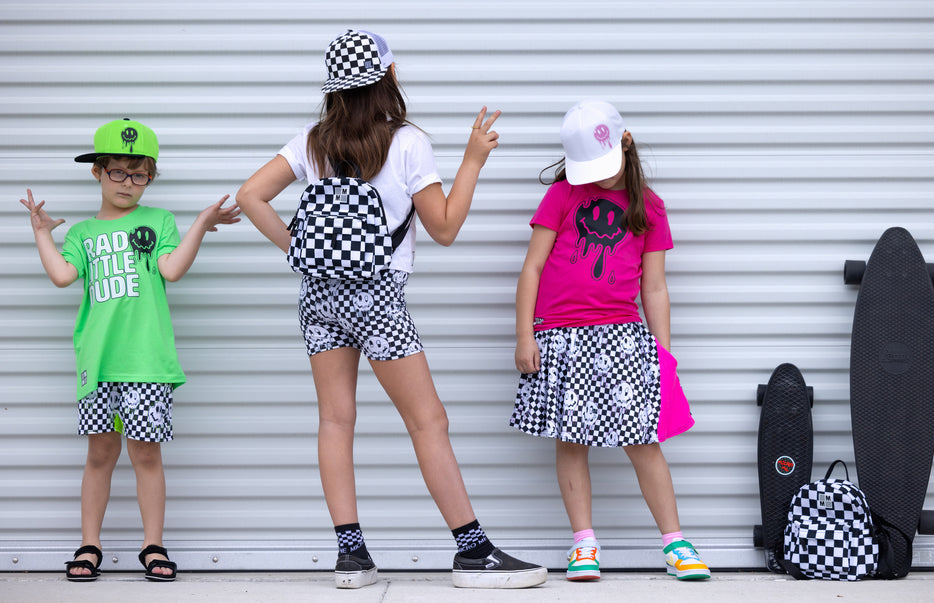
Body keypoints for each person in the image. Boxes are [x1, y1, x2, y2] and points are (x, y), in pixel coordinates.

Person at [235, 29, 547, 590]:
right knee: (428, 421)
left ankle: (351, 557)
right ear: (390, 76)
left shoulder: (311, 141)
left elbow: (249, 196)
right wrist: (473, 160)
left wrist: (299, 249)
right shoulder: (406, 142)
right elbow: (444, 228)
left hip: (319, 296)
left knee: (335, 420)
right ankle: (473, 552)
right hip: (378, 299)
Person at [21, 118, 241, 583]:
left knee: (146, 455)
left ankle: (152, 545)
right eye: (117, 171)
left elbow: (172, 270)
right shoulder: (82, 233)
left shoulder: (158, 220)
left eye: (139, 175)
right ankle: (90, 544)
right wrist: (42, 232)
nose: (127, 183)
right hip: (98, 364)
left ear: (151, 178)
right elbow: (62, 276)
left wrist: (200, 225)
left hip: (147, 363)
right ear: (97, 172)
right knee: (100, 455)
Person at [510, 100, 711, 582]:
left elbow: (654, 288)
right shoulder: (562, 195)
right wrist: (524, 334)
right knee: (571, 440)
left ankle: (675, 542)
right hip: (558, 336)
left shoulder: (650, 207)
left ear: (626, 142)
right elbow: (532, 268)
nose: (597, 177)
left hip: (622, 337)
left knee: (643, 440)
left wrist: (662, 354)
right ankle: (584, 543)